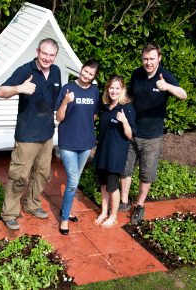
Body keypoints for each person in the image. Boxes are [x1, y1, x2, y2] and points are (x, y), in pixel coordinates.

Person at [119, 42, 187, 225]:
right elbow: (131, 95)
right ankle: (124, 201)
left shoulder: (165, 76)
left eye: (151, 59)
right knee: (125, 168)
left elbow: (183, 94)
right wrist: (120, 100)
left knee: (146, 172)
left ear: (159, 58)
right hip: (132, 131)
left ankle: (140, 204)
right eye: (145, 59)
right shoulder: (137, 74)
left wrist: (167, 87)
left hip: (152, 136)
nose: (148, 62)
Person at [0, 38, 62, 230]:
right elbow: (1, 91)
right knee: (20, 175)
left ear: (55, 56)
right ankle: (9, 212)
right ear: (37, 51)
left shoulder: (57, 71)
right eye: (44, 53)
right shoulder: (26, 70)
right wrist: (20, 88)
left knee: (42, 173)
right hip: (27, 135)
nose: (47, 58)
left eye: (51, 55)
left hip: (47, 134)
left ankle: (32, 204)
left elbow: (57, 99)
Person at [55, 59, 101, 235]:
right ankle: (65, 218)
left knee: (74, 180)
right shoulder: (68, 88)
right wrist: (66, 101)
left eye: (90, 74)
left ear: (93, 77)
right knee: (73, 181)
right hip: (68, 143)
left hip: (86, 143)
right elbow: (59, 118)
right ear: (81, 69)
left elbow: (94, 115)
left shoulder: (95, 91)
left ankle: (66, 210)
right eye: (85, 71)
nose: (86, 75)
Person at [93, 75, 136, 228]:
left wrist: (124, 121)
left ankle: (113, 216)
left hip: (115, 156)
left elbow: (130, 135)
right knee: (103, 185)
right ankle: (104, 212)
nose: (114, 91)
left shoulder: (127, 108)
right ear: (107, 89)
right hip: (102, 153)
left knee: (112, 186)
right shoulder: (105, 108)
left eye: (117, 88)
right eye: (111, 87)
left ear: (122, 89)